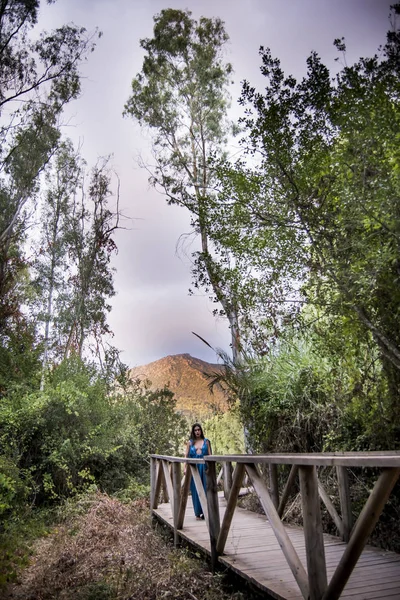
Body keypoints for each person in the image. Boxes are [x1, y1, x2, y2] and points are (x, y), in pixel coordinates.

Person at [184, 423, 212, 520]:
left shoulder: (206, 441)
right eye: (195, 430)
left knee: (205, 489)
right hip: (194, 469)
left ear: (201, 431)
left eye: (199, 430)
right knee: (195, 490)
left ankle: (206, 511)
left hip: (204, 469)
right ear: (193, 431)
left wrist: (211, 469)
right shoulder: (190, 443)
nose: (197, 432)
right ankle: (197, 513)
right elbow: (186, 456)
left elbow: (210, 455)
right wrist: (185, 468)